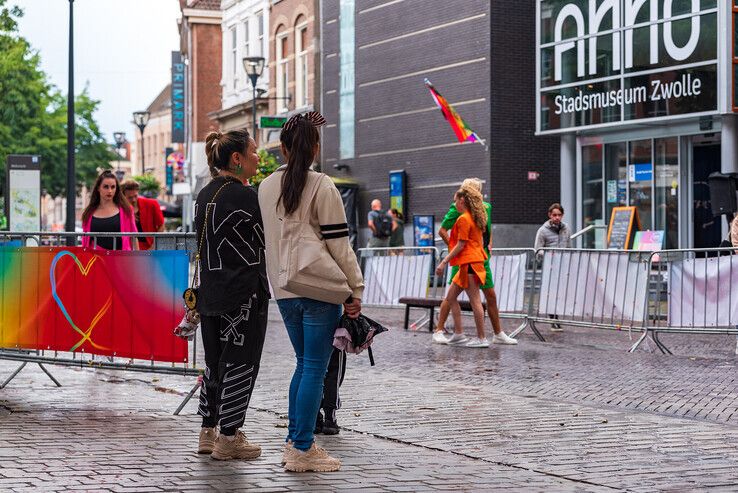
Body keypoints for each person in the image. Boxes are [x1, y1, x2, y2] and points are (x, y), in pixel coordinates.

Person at [259, 111, 364, 473]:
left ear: (283, 149)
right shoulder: (321, 185)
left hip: (285, 288)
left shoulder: (266, 186)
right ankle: (301, 447)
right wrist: (354, 289)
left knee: (304, 365)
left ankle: (296, 441)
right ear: (316, 147)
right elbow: (339, 246)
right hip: (320, 287)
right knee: (315, 369)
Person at [194, 129, 269, 461]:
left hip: (210, 290)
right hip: (243, 293)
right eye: (253, 152)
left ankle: (208, 431)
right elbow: (266, 240)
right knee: (241, 362)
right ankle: (229, 436)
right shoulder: (245, 196)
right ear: (236, 159)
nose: (257, 157)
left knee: (213, 363)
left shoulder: (204, 194)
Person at [432, 179, 517, 346]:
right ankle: (446, 331)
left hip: (473, 259)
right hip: (469, 259)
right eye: (477, 189)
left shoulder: (480, 210)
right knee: (453, 296)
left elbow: (485, 231)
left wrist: (486, 244)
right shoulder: (462, 211)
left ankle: (483, 336)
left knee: (479, 298)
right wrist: (454, 251)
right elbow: (445, 231)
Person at [433, 185, 490, 348]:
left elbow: (461, 244)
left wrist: (444, 262)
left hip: (469, 263)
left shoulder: (464, 218)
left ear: (462, 200)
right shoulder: (474, 217)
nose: (454, 204)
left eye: (455, 201)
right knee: (450, 297)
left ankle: (481, 338)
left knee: (475, 300)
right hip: (470, 263)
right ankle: (459, 335)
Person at [534, 203, 572, 331]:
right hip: (550, 267)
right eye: (554, 215)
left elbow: (569, 246)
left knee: (561, 293)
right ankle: (553, 319)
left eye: (559, 215)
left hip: (563, 265)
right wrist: (548, 255)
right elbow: (537, 249)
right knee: (552, 293)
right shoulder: (542, 230)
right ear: (550, 215)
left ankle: (557, 317)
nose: (557, 217)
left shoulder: (566, 228)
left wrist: (570, 258)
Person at [81, 170, 138, 251]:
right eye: (106, 187)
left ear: (116, 189)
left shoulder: (126, 210)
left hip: (120, 259)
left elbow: (134, 237)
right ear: (98, 188)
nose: (110, 191)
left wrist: (138, 260)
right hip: (95, 259)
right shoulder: (89, 212)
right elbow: (85, 241)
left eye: (113, 187)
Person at [120, 179, 165, 250]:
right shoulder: (120, 209)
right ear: (123, 196)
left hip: (150, 247)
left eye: (135, 196)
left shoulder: (152, 204)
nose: (134, 200)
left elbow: (161, 226)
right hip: (129, 249)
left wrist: (153, 246)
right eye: (130, 197)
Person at [314, 348, 346, 436]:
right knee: (333, 375)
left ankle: (314, 418)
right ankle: (330, 420)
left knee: (313, 374)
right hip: (333, 340)